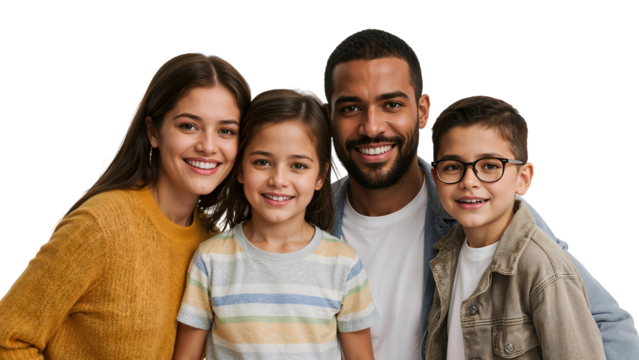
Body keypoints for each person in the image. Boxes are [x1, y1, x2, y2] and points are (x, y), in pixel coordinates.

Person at [323, 28, 638, 359]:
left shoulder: (491, 215)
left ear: (423, 110)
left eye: (391, 104)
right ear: (328, 117)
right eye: (350, 109)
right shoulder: (306, 220)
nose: (372, 127)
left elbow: (610, 326)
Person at [0, 52, 252, 359]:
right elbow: (7, 338)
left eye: (226, 131)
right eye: (189, 126)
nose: (208, 146)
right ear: (153, 132)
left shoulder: (213, 244)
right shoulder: (99, 227)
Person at [171, 87, 379, 360]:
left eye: (298, 166)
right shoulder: (211, 261)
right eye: (263, 162)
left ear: (321, 175)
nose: (278, 179)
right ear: (241, 169)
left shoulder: (343, 264)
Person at [423, 95, 605, 359]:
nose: (469, 181)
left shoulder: (544, 269)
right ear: (436, 179)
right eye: (453, 167)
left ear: (523, 178)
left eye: (489, 166)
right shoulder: (444, 256)